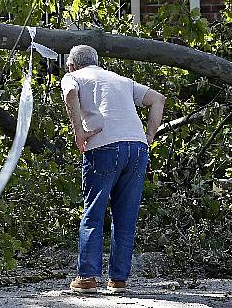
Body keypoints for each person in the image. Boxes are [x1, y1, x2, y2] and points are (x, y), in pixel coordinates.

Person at [61, 45, 166, 295]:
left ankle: (87, 277)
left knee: (94, 211)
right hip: (137, 148)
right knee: (125, 215)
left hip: (103, 145)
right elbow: (158, 99)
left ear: (72, 65)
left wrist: (79, 133)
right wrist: (149, 136)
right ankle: (118, 279)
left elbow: (70, 95)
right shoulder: (121, 79)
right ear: (96, 62)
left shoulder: (73, 77)